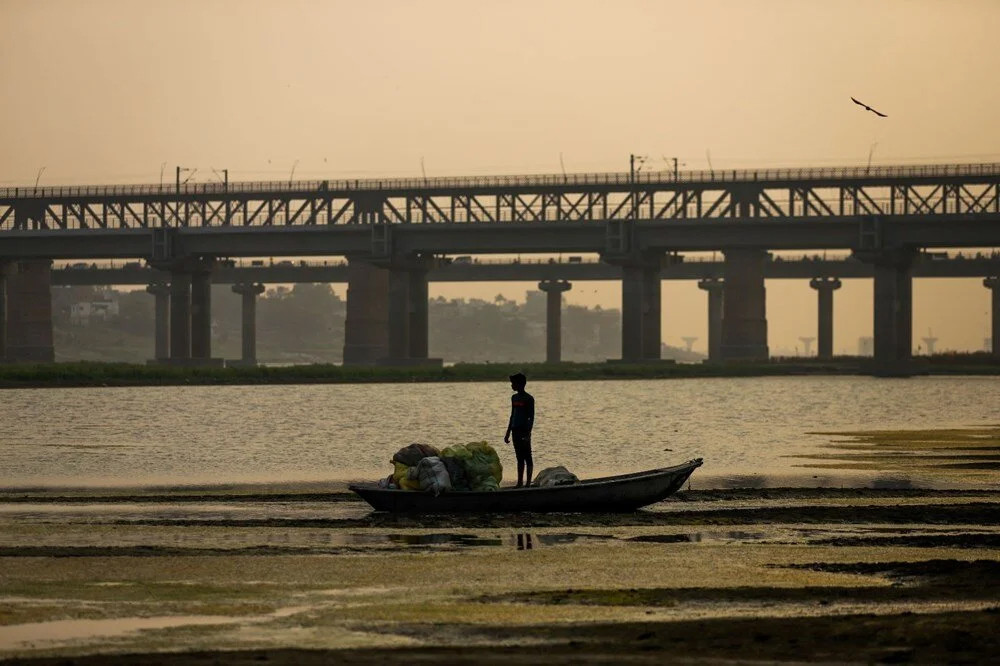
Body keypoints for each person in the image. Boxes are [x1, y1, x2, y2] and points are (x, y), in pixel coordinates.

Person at [504, 372, 535, 487]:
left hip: (524, 431)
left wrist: (528, 433)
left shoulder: (529, 399)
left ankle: (528, 483)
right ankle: (519, 482)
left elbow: (531, 417)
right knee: (519, 457)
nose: (512, 385)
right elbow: (512, 416)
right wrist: (508, 433)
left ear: (520, 384)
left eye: (513, 383)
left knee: (527, 456)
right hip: (515, 430)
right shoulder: (514, 398)